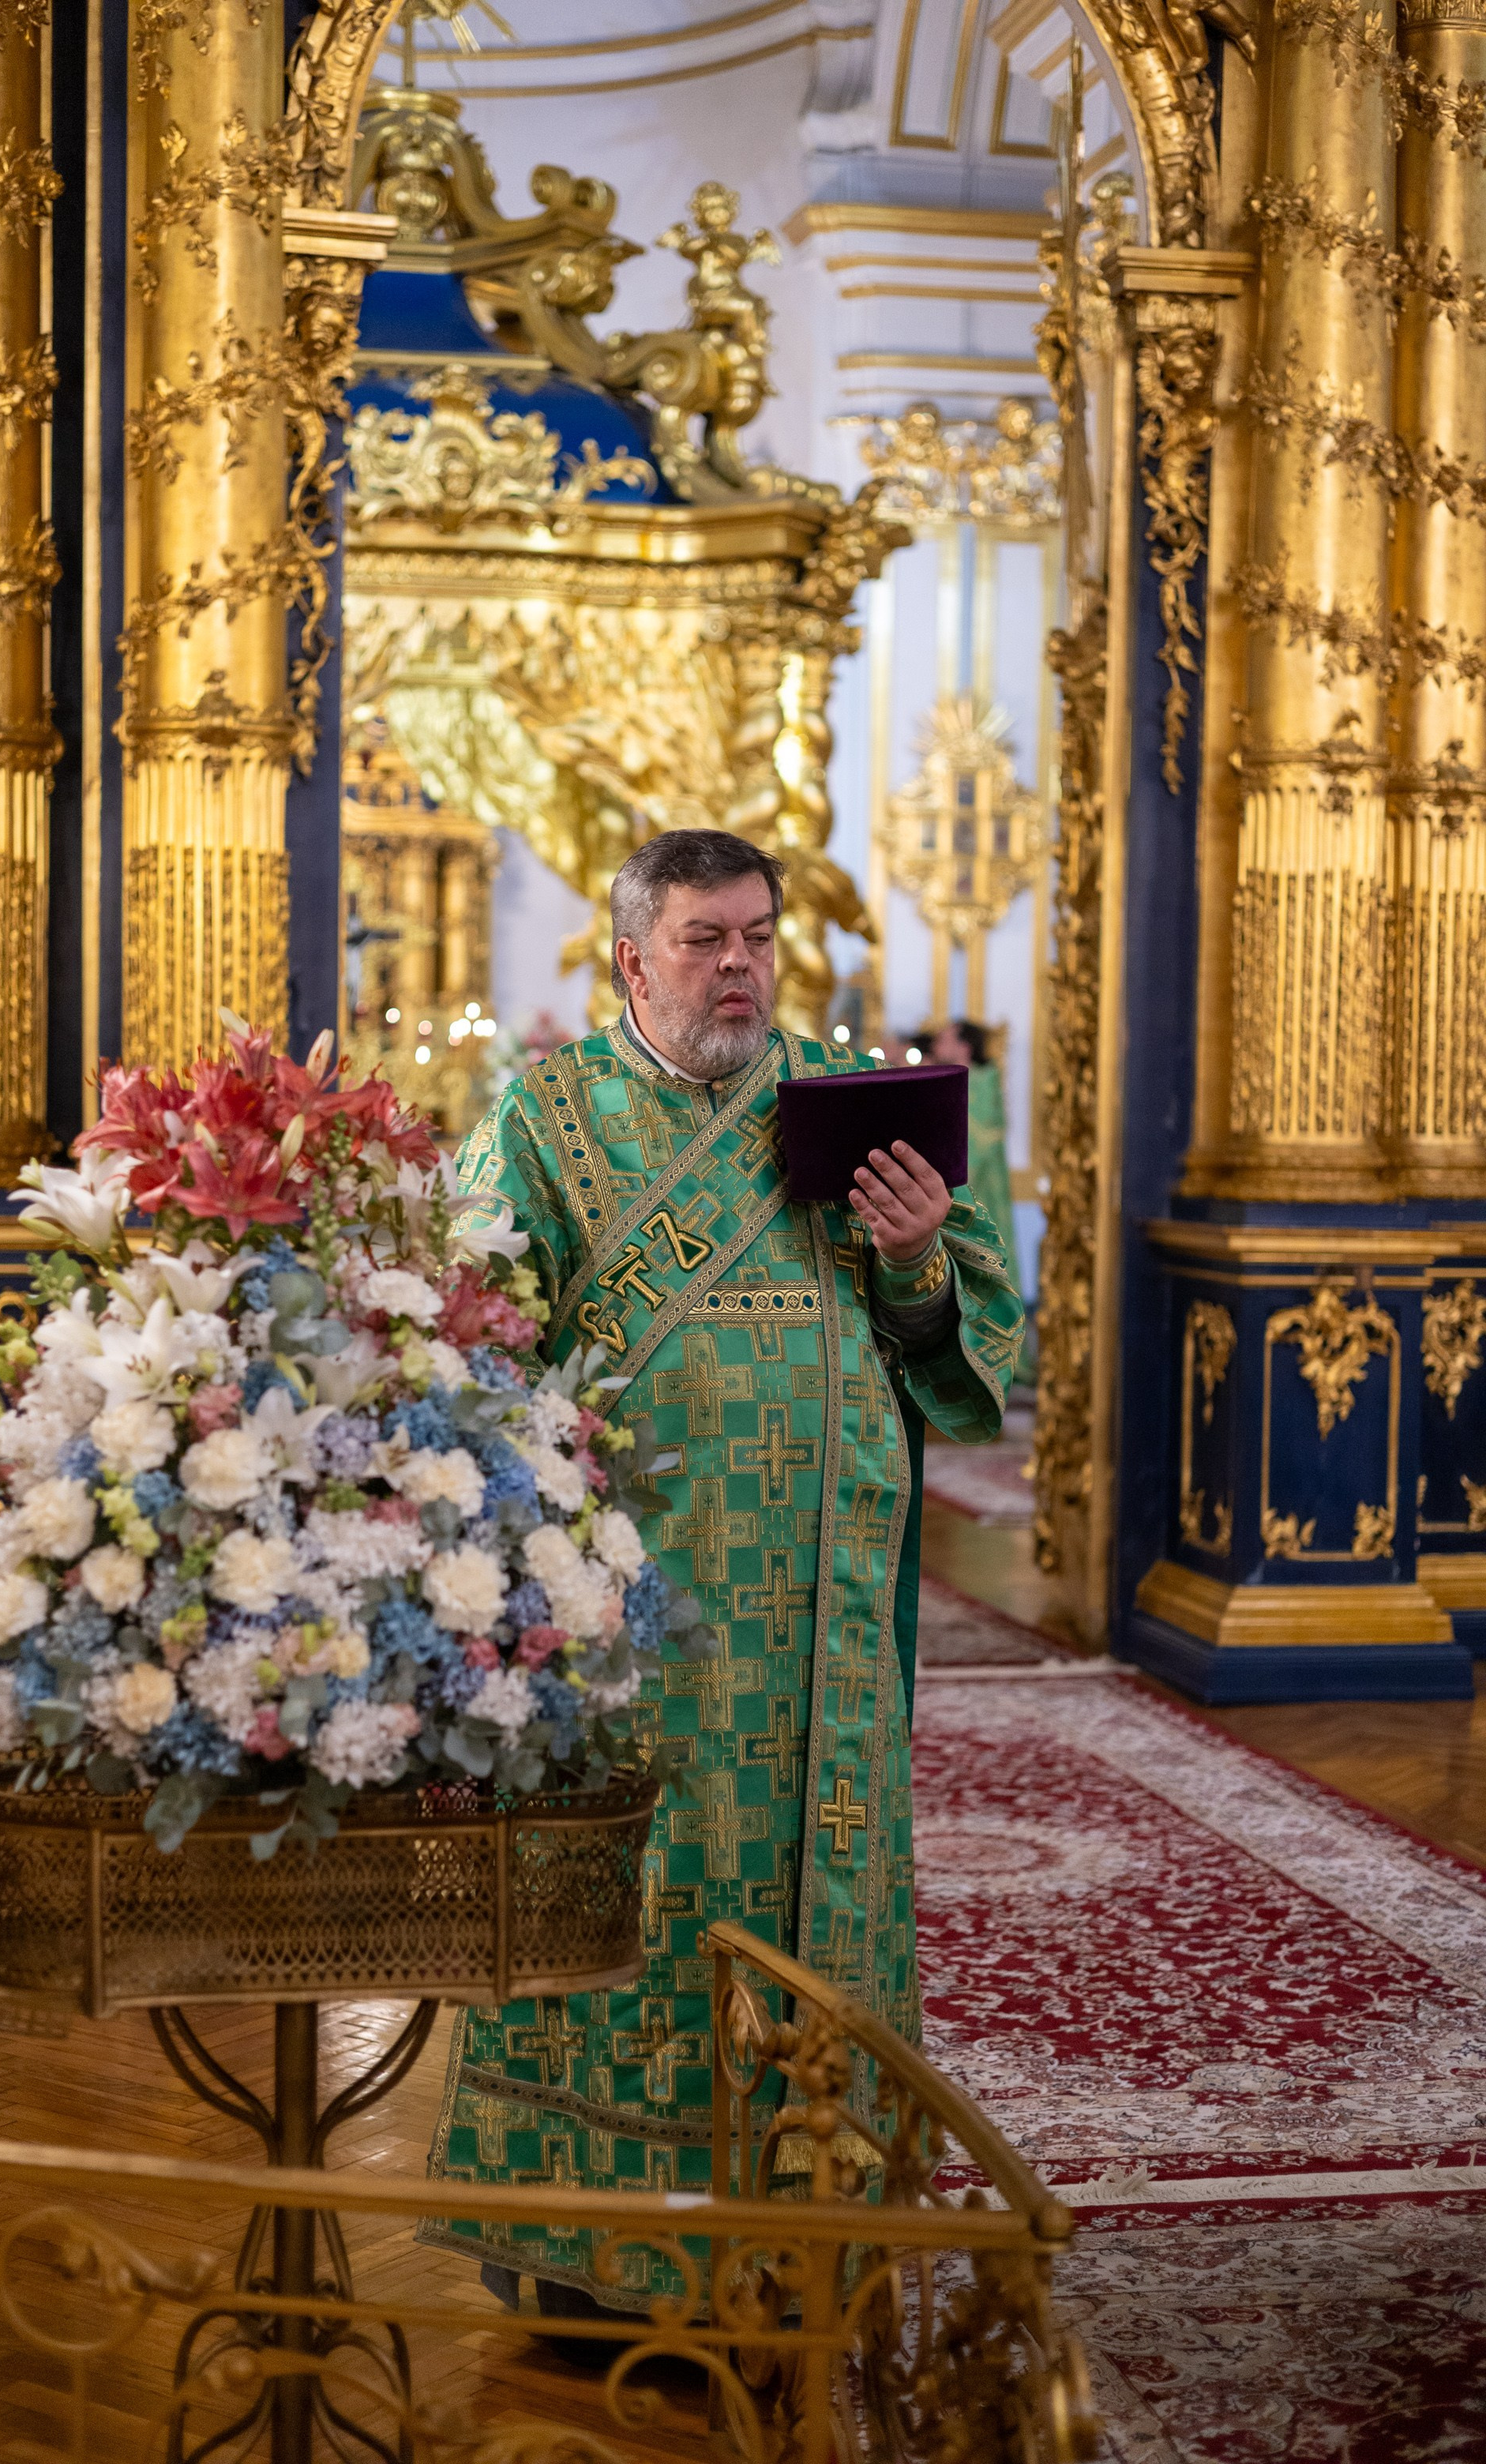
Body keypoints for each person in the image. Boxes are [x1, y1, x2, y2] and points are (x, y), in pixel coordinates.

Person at [421, 828, 1023, 2316]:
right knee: (630, 1895)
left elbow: (966, 1346)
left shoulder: (854, 1109)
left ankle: (808, 2227)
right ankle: (598, 2254)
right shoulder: (547, 1120)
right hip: (625, 1617)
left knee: (810, 1888)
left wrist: (915, 1252)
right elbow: (471, 1347)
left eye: (758, 936)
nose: (742, 963)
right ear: (634, 957)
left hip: (819, 1607)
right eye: (706, 939)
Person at [926, 1019, 1022, 1302]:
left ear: (964, 1046)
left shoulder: (981, 1080)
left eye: (944, 1039)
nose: (936, 1045)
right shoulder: (950, 1079)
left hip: (978, 1189)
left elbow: (977, 1142)